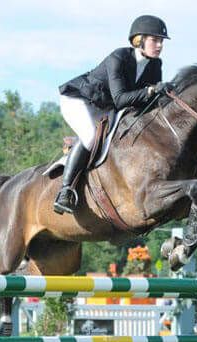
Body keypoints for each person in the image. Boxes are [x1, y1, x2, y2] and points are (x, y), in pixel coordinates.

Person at [54, 15, 173, 214]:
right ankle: (65, 191)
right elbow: (120, 99)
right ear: (139, 40)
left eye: (161, 41)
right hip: (79, 100)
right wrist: (151, 90)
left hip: (106, 107)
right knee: (91, 137)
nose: (160, 45)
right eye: (155, 40)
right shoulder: (118, 57)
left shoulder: (155, 64)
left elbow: (147, 103)